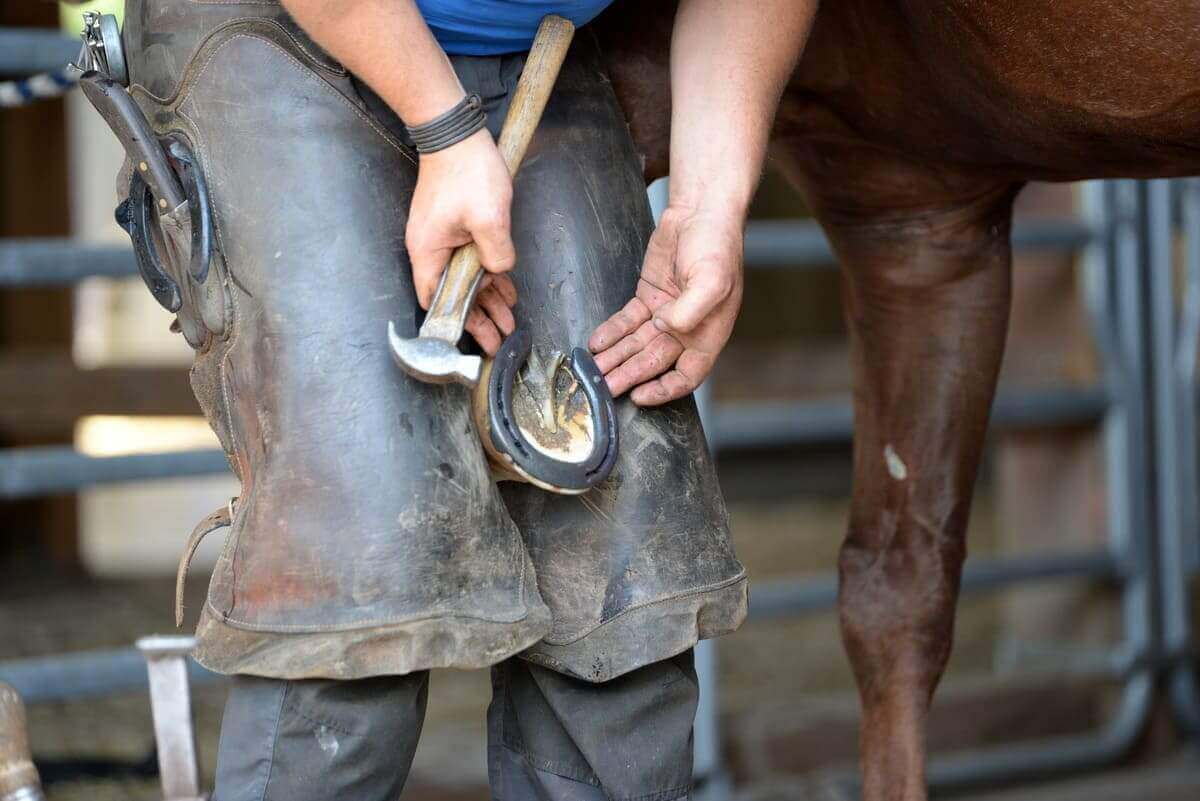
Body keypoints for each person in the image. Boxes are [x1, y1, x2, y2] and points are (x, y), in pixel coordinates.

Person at [109, 1, 814, 798]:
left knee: (623, 591)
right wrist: (442, 131)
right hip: (284, 29)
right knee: (362, 586)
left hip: (536, 41)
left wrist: (708, 200)